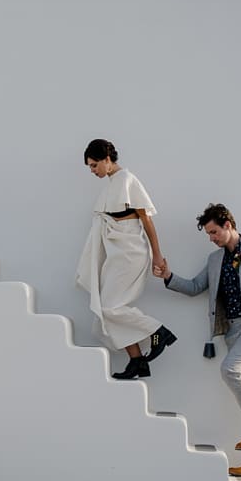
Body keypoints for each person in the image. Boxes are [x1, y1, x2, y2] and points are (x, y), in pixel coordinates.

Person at [153, 203, 241, 477]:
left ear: (228, 225)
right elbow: (194, 287)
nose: (211, 238)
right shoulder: (215, 260)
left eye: (214, 232)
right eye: (209, 234)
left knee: (229, 369)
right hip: (232, 331)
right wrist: (168, 276)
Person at [75, 139, 177, 379]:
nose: (92, 171)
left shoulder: (127, 180)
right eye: (90, 167)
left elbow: (146, 220)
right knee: (106, 311)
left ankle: (157, 331)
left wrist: (157, 255)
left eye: (94, 165)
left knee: (109, 307)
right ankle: (137, 361)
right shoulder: (111, 184)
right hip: (116, 254)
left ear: (107, 159)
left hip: (131, 254)